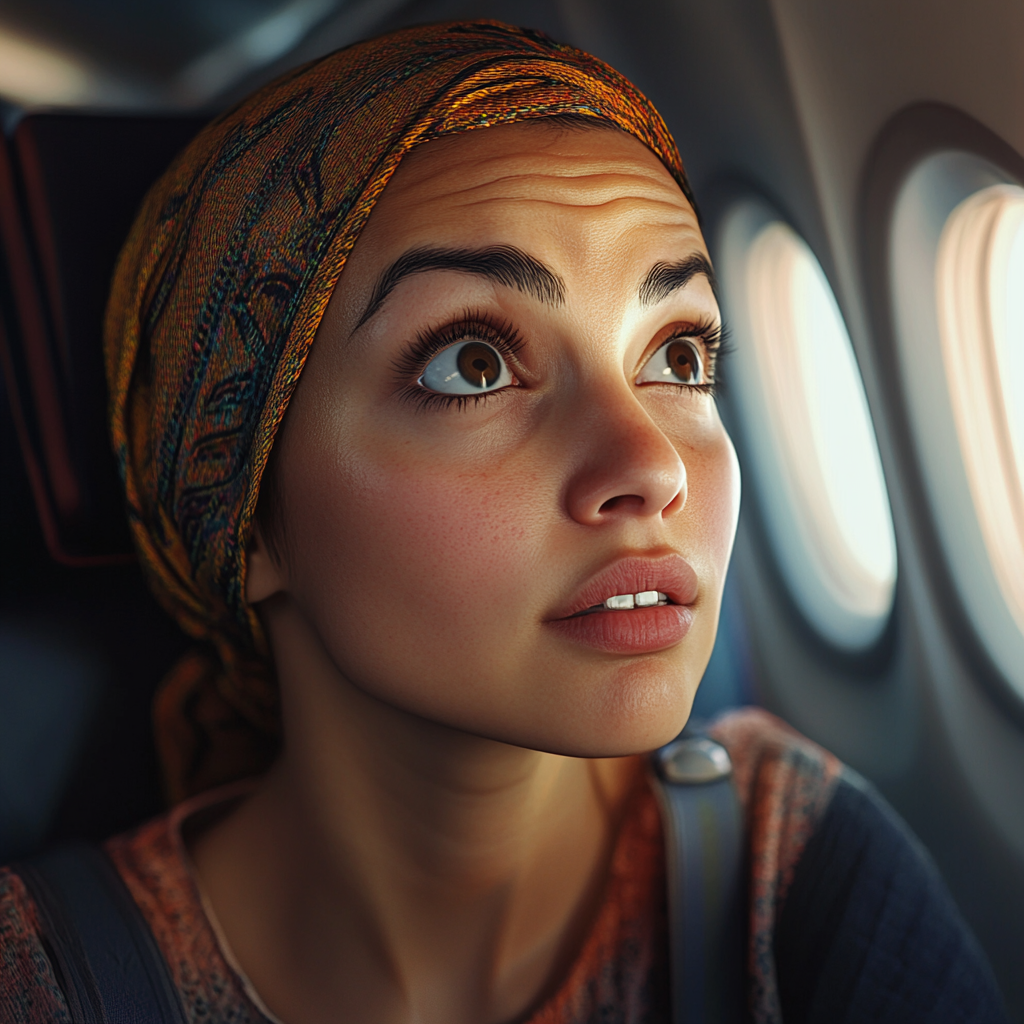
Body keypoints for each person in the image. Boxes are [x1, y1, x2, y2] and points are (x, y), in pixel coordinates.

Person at [0, 20, 1008, 1024]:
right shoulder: (42, 976)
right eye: (472, 364)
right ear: (249, 515)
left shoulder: (795, 864)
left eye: (679, 356)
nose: (651, 466)